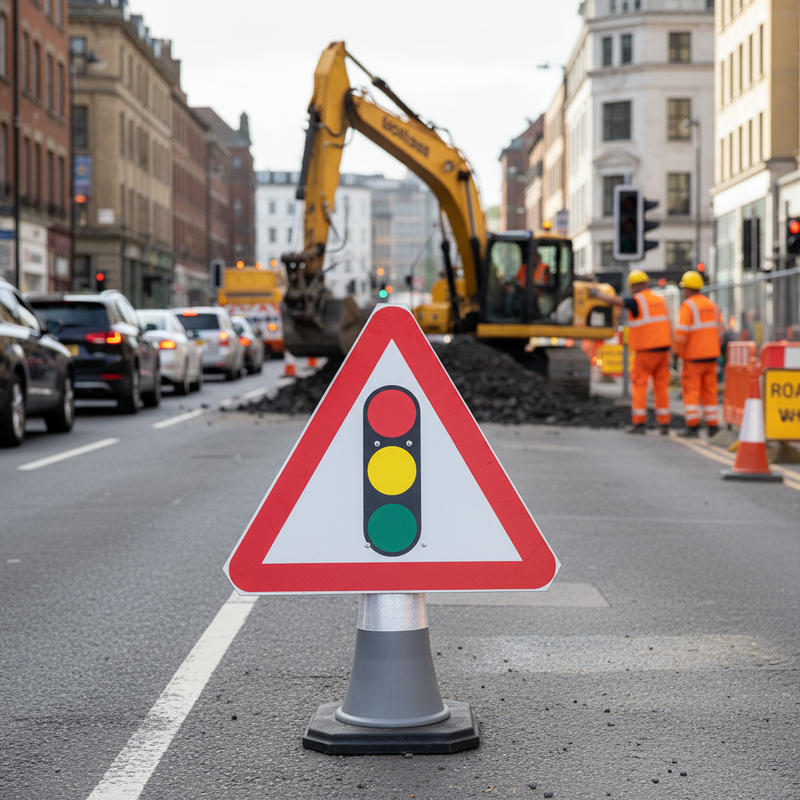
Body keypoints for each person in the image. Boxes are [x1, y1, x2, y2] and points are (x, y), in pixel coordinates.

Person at [589, 269, 672, 434]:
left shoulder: (638, 300)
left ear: (636, 286)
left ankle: (639, 422)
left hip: (646, 350)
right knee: (661, 386)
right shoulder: (660, 300)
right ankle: (664, 423)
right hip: (663, 350)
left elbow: (617, 301)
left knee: (640, 384)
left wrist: (598, 295)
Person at [673, 270, 723, 437]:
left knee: (692, 390)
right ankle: (712, 425)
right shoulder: (712, 305)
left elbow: (681, 333)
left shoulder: (688, 306)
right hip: (711, 356)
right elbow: (720, 332)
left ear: (687, 289)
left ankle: (692, 425)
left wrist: (677, 352)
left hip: (694, 358)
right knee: (709, 391)